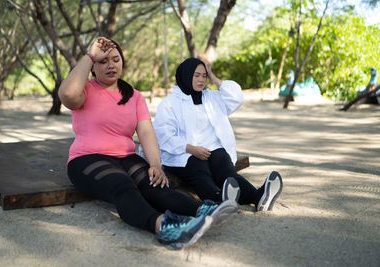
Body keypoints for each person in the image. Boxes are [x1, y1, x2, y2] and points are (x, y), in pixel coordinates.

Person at [58, 38, 237, 250]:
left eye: (116, 60)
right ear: (93, 67)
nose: (111, 65)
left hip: (126, 157)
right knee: (123, 187)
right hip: (87, 158)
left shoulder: (133, 96)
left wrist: (155, 164)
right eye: (103, 61)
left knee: (156, 185)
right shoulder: (84, 90)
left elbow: (146, 132)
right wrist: (89, 55)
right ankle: (164, 226)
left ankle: (200, 211)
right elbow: (67, 94)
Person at [153, 57, 283, 212]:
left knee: (226, 170)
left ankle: (258, 197)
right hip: (183, 153)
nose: (201, 80)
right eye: (196, 75)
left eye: (204, 76)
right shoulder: (169, 103)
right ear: (186, 75)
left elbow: (236, 98)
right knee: (199, 169)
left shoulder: (212, 97)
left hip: (213, 149)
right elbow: (163, 135)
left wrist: (214, 78)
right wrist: (190, 148)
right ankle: (218, 200)